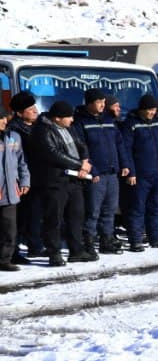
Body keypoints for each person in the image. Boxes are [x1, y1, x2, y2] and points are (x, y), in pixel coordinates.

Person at [35, 101, 97, 265]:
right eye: (68, 117)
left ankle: (76, 250)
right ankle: (54, 252)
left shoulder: (69, 127)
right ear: (57, 118)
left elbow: (80, 144)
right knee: (54, 218)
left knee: (76, 215)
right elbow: (53, 153)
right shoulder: (43, 130)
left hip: (74, 179)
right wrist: (78, 165)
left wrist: (84, 161)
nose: (71, 120)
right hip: (55, 180)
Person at [73, 88, 129, 254]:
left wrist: (125, 164)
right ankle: (88, 241)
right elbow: (81, 149)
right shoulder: (80, 122)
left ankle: (107, 240)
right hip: (95, 175)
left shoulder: (109, 119)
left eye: (104, 102)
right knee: (93, 211)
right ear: (89, 103)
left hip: (112, 171)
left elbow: (120, 144)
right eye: (98, 102)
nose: (102, 105)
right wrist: (93, 171)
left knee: (110, 209)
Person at [122, 95, 158, 251]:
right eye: (149, 110)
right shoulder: (131, 124)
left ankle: (155, 236)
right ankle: (136, 239)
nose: (152, 113)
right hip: (140, 174)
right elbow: (126, 150)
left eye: (154, 110)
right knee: (138, 207)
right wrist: (131, 171)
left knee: (156, 206)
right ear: (142, 109)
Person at [9, 92, 43, 262]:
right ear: (20, 113)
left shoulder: (37, 126)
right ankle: (13, 252)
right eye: (30, 109)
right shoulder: (14, 131)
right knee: (19, 217)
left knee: (35, 214)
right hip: (20, 179)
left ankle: (35, 246)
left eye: (34, 107)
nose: (35, 111)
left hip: (36, 177)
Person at [0, 107, 31, 271]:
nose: (5, 121)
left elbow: (22, 162)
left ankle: (5, 259)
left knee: (9, 228)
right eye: (1, 118)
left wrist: (25, 181)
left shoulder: (14, 137)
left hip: (11, 191)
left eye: (5, 118)